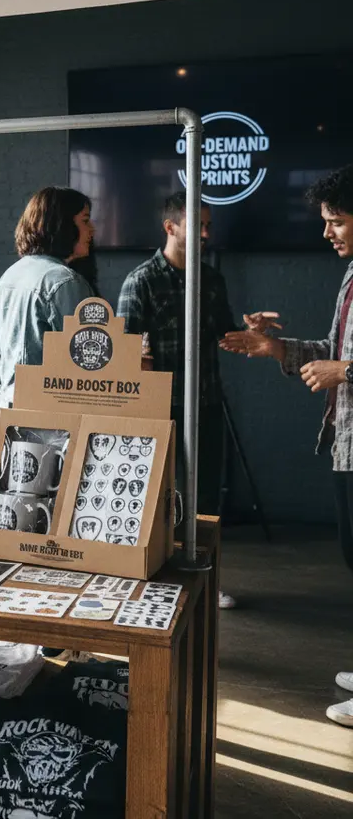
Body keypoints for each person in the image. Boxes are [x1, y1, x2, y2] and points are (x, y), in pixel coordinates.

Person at [221, 164, 353, 727]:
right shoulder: (351, 277)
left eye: (338, 222)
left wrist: (345, 370)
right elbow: (330, 348)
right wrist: (275, 349)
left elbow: (341, 361)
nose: (328, 233)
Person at [116, 192, 277, 611]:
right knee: (156, 501)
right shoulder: (141, 281)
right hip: (159, 411)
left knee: (204, 501)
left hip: (204, 405)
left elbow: (225, 337)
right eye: (198, 225)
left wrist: (249, 330)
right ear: (171, 227)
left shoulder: (212, 279)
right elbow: (125, 353)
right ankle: (157, 581)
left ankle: (201, 582)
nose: (206, 233)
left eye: (208, 225)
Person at [0, 187, 95, 428]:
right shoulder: (65, 282)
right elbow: (89, 364)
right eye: (85, 221)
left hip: (6, 411)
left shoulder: (9, 276)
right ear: (61, 225)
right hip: (49, 421)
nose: (92, 230)